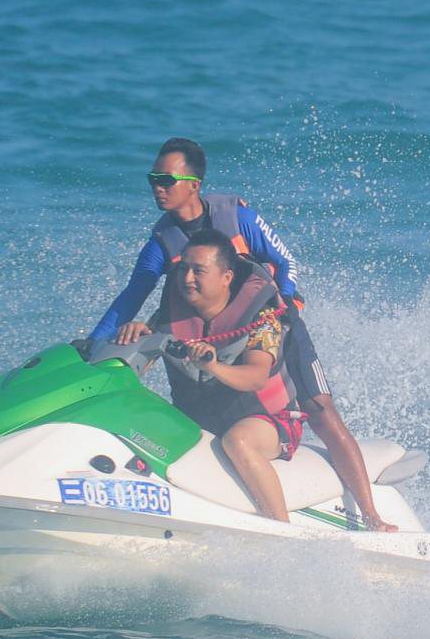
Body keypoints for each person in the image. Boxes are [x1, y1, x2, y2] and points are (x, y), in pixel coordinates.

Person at [89, 136, 399, 530]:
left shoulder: (237, 218)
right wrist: (95, 344)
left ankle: (371, 514)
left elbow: (284, 261)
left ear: (194, 185)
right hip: (212, 329)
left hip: (268, 321)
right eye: (153, 179)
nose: (157, 187)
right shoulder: (162, 242)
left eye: (165, 180)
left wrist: (287, 299)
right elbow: (133, 294)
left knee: (321, 411)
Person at [160, 234, 297, 523]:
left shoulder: (263, 319)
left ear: (226, 277)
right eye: (183, 268)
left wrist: (213, 366)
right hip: (205, 419)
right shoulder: (169, 317)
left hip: (269, 420)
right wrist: (131, 336)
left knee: (238, 440)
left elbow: (257, 377)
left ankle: (283, 530)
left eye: (198, 271)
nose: (187, 278)